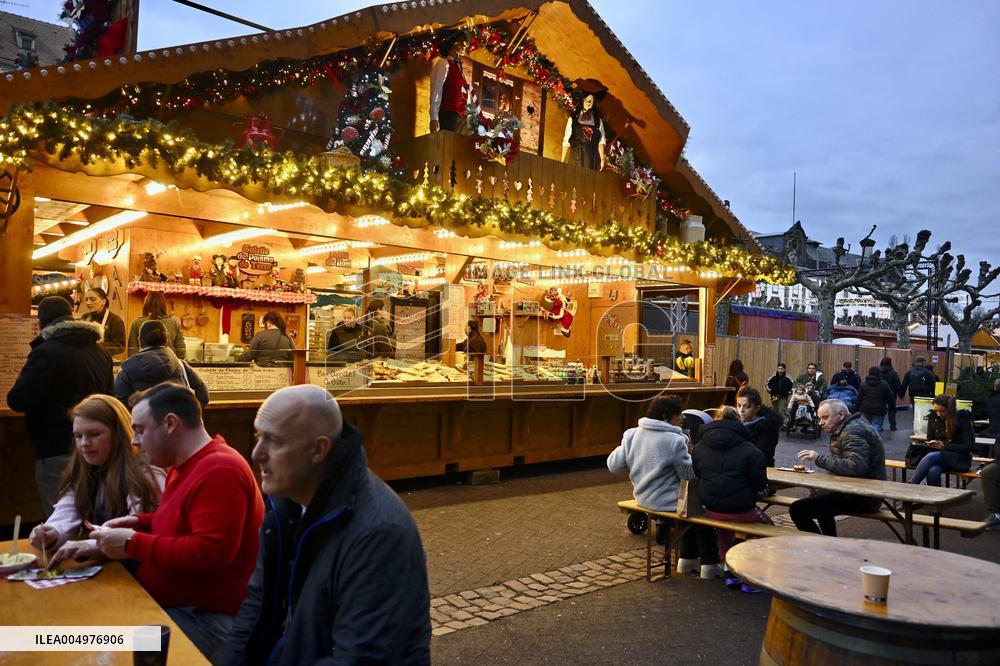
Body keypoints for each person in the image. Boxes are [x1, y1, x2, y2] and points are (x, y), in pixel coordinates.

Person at [215, 385, 431, 664]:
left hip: (207, 620)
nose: (256, 453)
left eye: (274, 441)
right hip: (282, 651)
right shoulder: (286, 504)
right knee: (145, 635)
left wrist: (140, 542)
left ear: (318, 449)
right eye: (258, 436)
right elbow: (256, 608)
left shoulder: (378, 533)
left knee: (159, 632)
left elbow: (359, 657)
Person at [92, 383, 264, 658]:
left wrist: (133, 543)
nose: (134, 441)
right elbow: (181, 521)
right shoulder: (187, 464)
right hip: (176, 608)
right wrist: (138, 522)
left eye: (139, 430)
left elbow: (211, 552)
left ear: (170, 423)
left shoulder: (220, 470)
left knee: (91, 646)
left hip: (205, 619)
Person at [28, 394, 163, 568]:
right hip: (111, 568)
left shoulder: (143, 474)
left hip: (141, 573)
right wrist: (51, 533)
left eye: (94, 434)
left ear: (118, 434)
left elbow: (140, 533)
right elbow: (66, 512)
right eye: (78, 436)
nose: (84, 443)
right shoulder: (82, 471)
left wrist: (89, 545)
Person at [7, 296, 113, 515]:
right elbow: (110, 398)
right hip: (97, 447)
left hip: (56, 448)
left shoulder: (46, 352)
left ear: (42, 323)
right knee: (92, 517)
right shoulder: (101, 352)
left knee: (61, 521)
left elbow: (17, 400)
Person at [607, 396, 721, 581]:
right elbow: (687, 474)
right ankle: (708, 564)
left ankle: (687, 560)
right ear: (667, 416)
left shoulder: (632, 434)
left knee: (692, 515)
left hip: (642, 497)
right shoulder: (675, 440)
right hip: (667, 500)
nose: (683, 418)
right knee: (703, 514)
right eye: (679, 414)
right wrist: (700, 459)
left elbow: (614, 466)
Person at [692, 406, 771, 593]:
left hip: (711, 507)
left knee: (724, 529)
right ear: (738, 424)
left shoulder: (700, 447)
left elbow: (697, 473)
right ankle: (749, 576)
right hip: (741, 510)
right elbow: (759, 484)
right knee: (768, 529)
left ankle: (730, 572)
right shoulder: (751, 450)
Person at [791, 399, 886, 536]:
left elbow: (856, 466)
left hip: (865, 496)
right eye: (819, 418)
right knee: (818, 496)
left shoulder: (853, 431)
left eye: (825, 417)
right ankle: (829, 542)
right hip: (857, 490)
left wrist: (818, 458)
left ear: (841, 415)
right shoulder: (848, 427)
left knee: (798, 509)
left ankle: (822, 546)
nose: (820, 422)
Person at [115, 320, 209, 407]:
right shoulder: (181, 365)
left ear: (140, 341)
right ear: (166, 340)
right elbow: (203, 396)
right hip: (176, 423)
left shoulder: (128, 370)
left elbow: (119, 404)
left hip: (146, 423)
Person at [909, 395, 974, 487]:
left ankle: (911, 485)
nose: (939, 414)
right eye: (936, 411)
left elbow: (969, 446)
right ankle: (934, 499)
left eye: (942, 411)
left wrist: (944, 446)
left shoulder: (962, 419)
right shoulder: (933, 417)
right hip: (939, 456)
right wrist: (931, 444)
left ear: (950, 409)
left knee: (931, 456)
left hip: (959, 459)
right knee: (933, 471)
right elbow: (929, 437)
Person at [429, 32, 470, 132]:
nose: (464, 46)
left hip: (460, 117)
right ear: (453, 43)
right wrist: (434, 118)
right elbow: (436, 90)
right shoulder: (443, 63)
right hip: (448, 114)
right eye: (461, 42)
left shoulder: (458, 68)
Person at [127, 291, 186, 358]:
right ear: (163, 305)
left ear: (146, 304)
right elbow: (181, 352)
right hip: (168, 364)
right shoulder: (174, 322)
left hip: (144, 365)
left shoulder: (137, 322)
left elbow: (132, 352)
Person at [736, 387, 783, 467]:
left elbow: (762, 454)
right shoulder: (735, 423)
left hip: (760, 469)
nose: (741, 410)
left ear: (757, 408)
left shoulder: (767, 427)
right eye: (739, 405)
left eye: (747, 406)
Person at [561, 91, 607, 170]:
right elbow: (566, 142)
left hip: (591, 158)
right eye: (586, 100)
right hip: (576, 156)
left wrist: (602, 159)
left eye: (591, 100)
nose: (589, 102)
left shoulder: (598, 121)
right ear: (582, 101)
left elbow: (601, 142)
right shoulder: (573, 120)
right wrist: (562, 161)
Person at [79, 287, 126, 357]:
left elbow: (120, 346)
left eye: (92, 299)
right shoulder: (84, 317)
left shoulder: (115, 320)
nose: (88, 303)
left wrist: (99, 345)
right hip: (85, 358)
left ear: (103, 301)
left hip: (104, 359)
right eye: (86, 300)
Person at [857, 366, 895, 433]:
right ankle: (874, 437)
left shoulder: (863, 384)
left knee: (866, 425)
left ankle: (867, 439)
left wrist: (856, 408)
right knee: (877, 425)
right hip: (879, 409)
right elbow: (890, 396)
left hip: (866, 408)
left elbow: (859, 398)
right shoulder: (884, 384)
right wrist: (892, 407)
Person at [878, 357, 902, 430]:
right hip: (891, 393)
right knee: (891, 409)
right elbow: (897, 384)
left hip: (880, 393)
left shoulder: (878, 371)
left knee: (880, 409)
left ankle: (879, 425)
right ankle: (892, 425)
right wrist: (900, 393)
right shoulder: (893, 372)